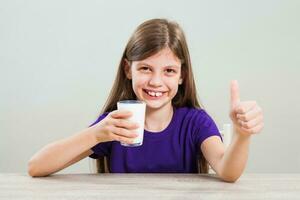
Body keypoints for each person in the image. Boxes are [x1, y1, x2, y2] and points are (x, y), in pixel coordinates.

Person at [28, 18, 264, 182]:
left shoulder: (195, 122)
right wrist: (95, 134)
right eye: (145, 68)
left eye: (169, 71)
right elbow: (36, 166)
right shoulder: (114, 124)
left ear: (182, 75)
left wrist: (242, 136)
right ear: (128, 70)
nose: (156, 82)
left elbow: (228, 171)